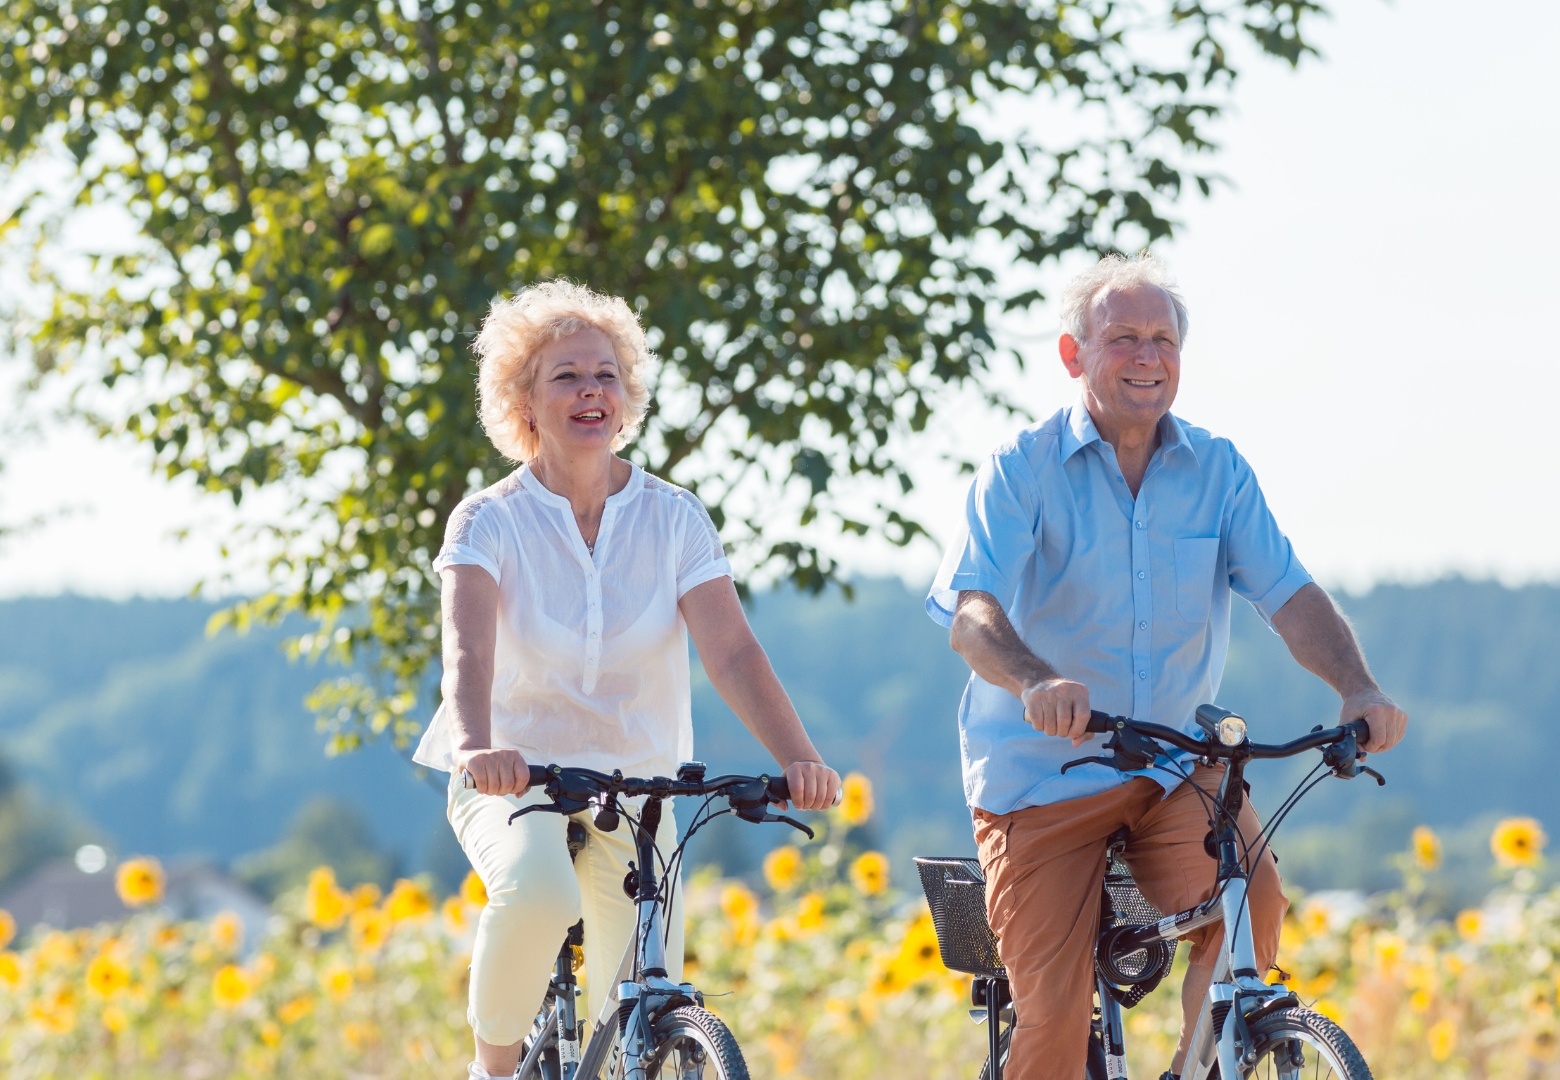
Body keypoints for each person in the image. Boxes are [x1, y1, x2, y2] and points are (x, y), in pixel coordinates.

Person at [925, 254, 1408, 1080]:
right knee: (1050, 1034)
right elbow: (971, 616)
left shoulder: (1217, 470)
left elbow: (1289, 596)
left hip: (1171, 764)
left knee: (1249, 906)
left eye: (1163, 340)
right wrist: (1036, 680)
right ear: (1075, 355)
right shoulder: (1022, 467)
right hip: (1042, 778)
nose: (1147, 357)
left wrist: (1356, 686)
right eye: (1123, 339)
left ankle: (1201, 1063)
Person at [412, 280, 841, 1080]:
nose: (591, 392)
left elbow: (734, 653)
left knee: (641, 999)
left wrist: (798, 758)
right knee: (540, 894)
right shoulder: (487, 520)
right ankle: (492, 1068)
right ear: (525, 399)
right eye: (566, 376)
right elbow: (467, 653)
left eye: (606, 375)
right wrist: (477, 746)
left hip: (640, 785)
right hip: (515, 775)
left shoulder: (674, 516)